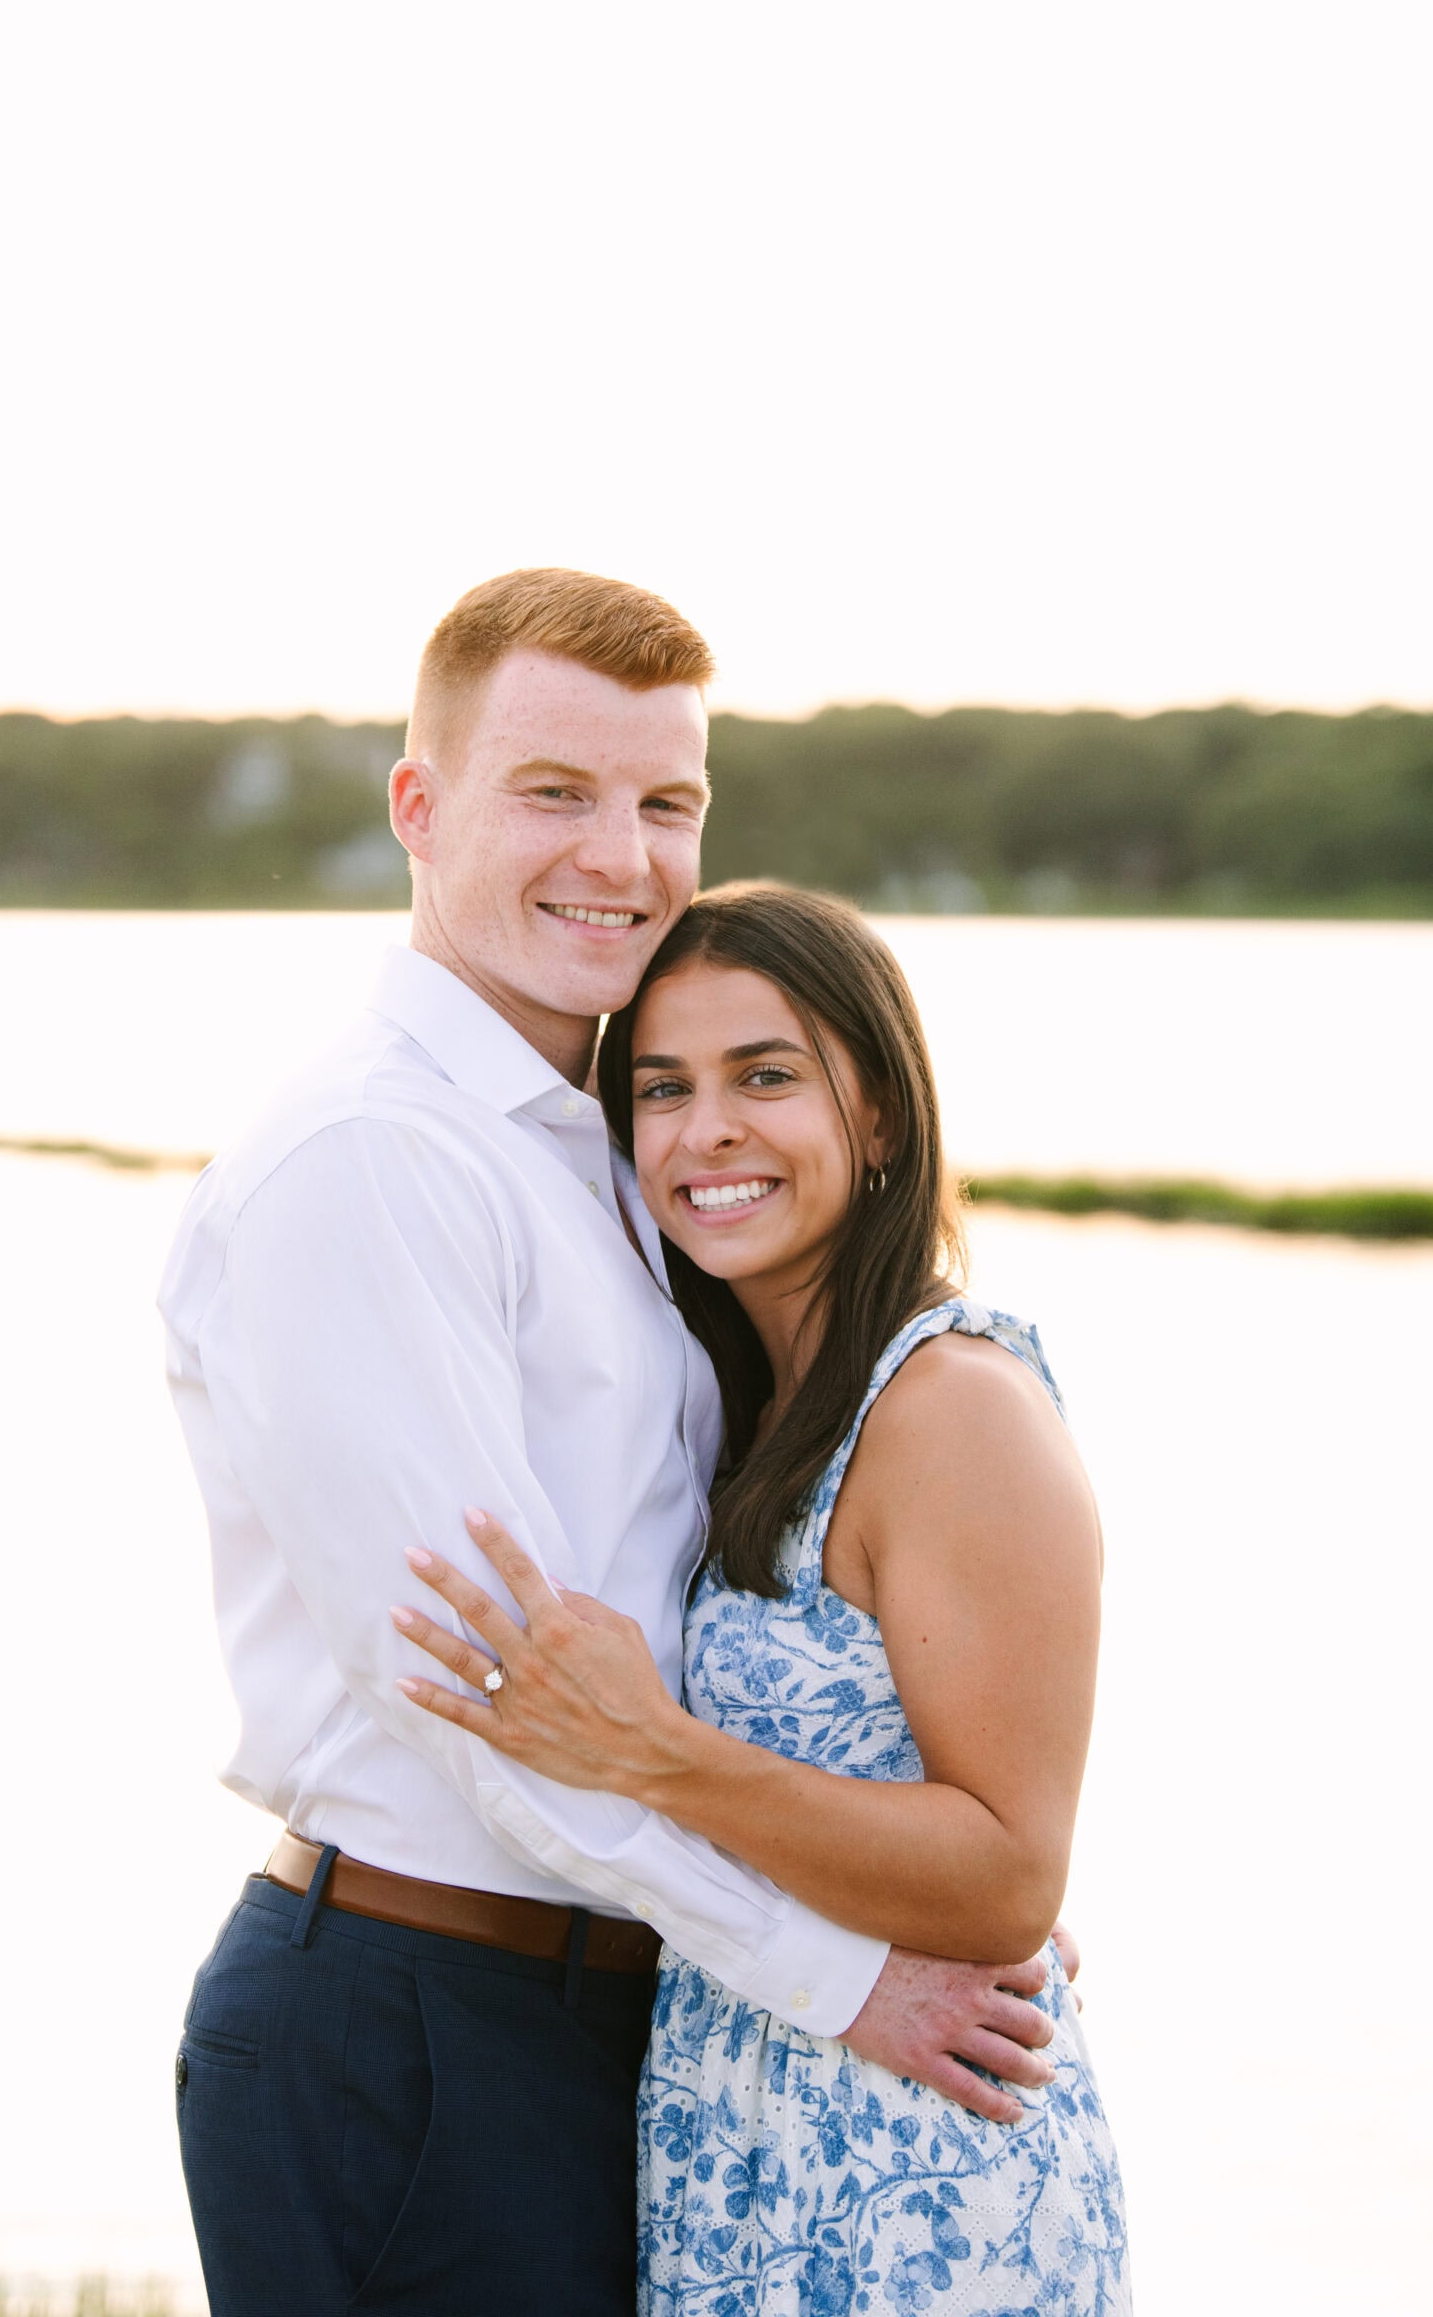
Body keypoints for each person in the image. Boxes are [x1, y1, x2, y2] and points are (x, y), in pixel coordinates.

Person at [158, 570, 1070, 2317]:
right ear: (419, 808)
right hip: (409, 2016)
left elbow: (661, 1639)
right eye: (555, 793)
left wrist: (900, 1902)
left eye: (667, 805)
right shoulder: (373, 1162)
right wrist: (843, 1978)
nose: (622, 856)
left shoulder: (598, 1141)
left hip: (612, 2006)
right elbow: (495, 1702)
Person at [395, 882, 1131, 2314]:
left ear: (884, 1120)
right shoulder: (754, 1411)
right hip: (745, 2145)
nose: (704, 1130)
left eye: (765, 1075)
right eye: (660, 1089)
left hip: (915, 2173)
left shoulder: (950, 1407)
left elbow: (1006, 1881)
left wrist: (658, 1754)